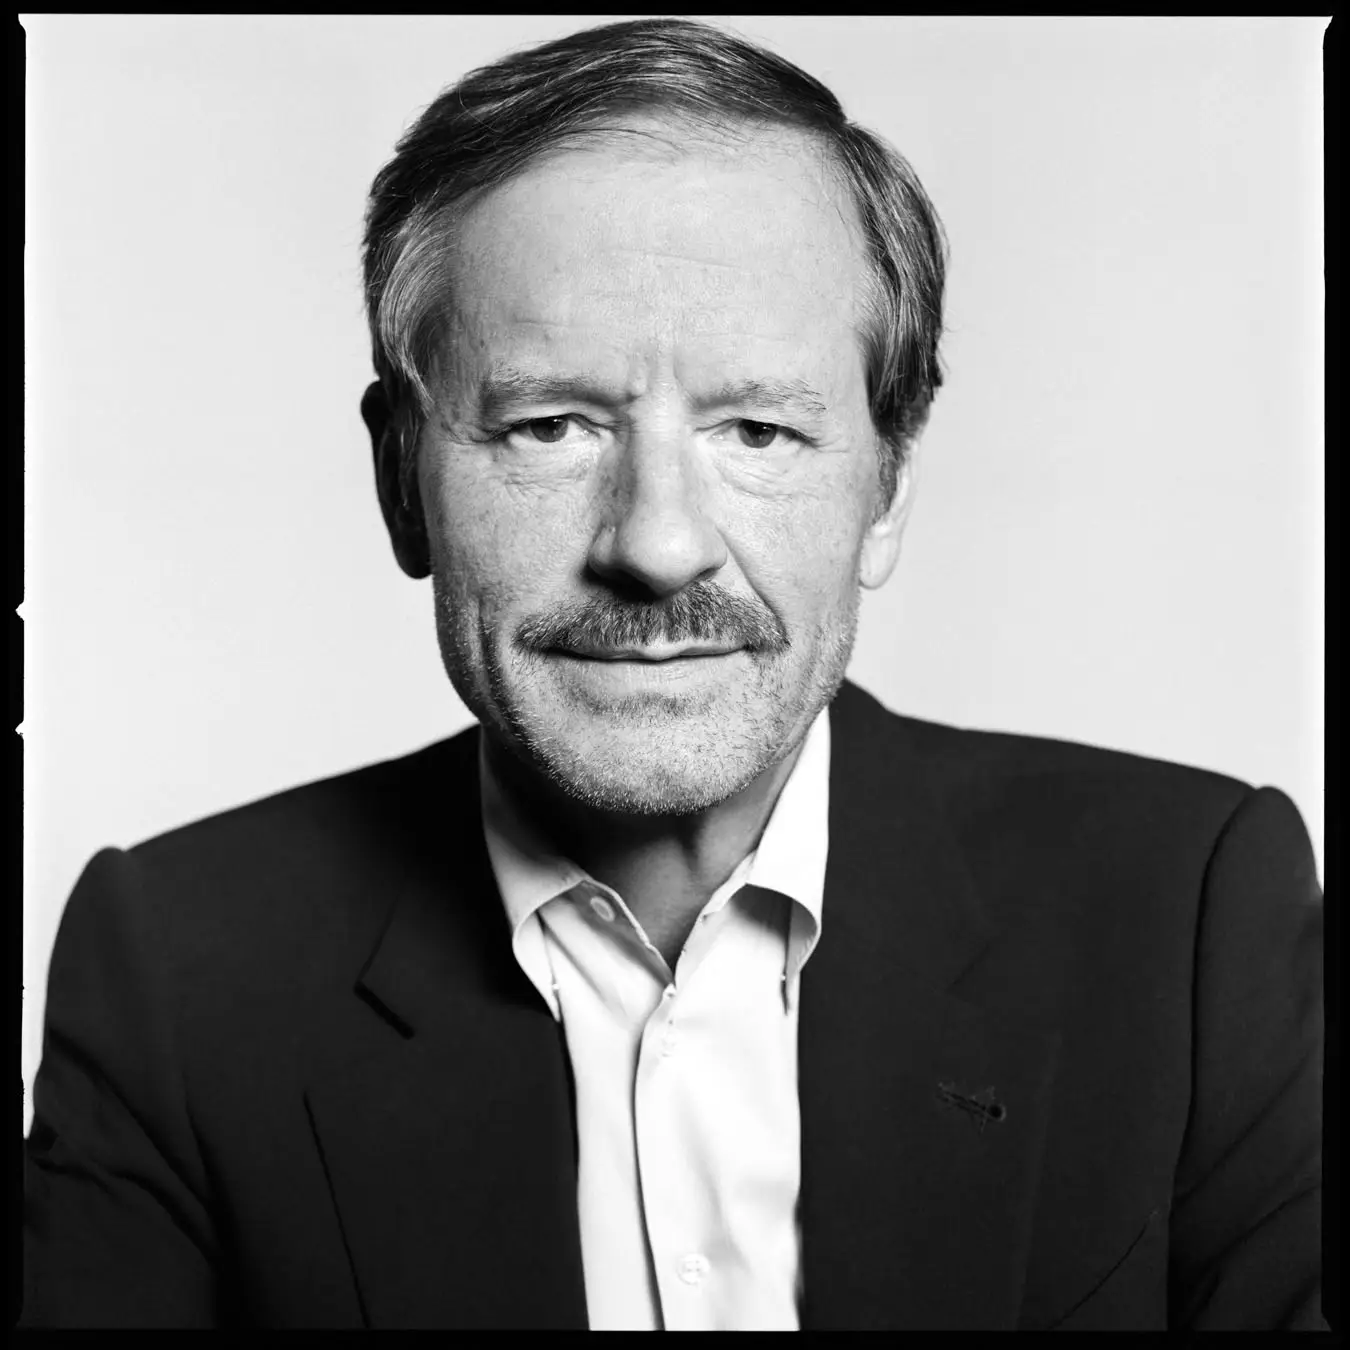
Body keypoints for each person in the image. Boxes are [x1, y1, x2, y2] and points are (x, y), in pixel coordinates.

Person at [20, 17, 1325, 1331]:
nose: (655, 545)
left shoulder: (1191, 923)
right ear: (399, 481)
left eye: (756, 429)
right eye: (549, 426)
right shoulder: (174, 978)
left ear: (887, 487)